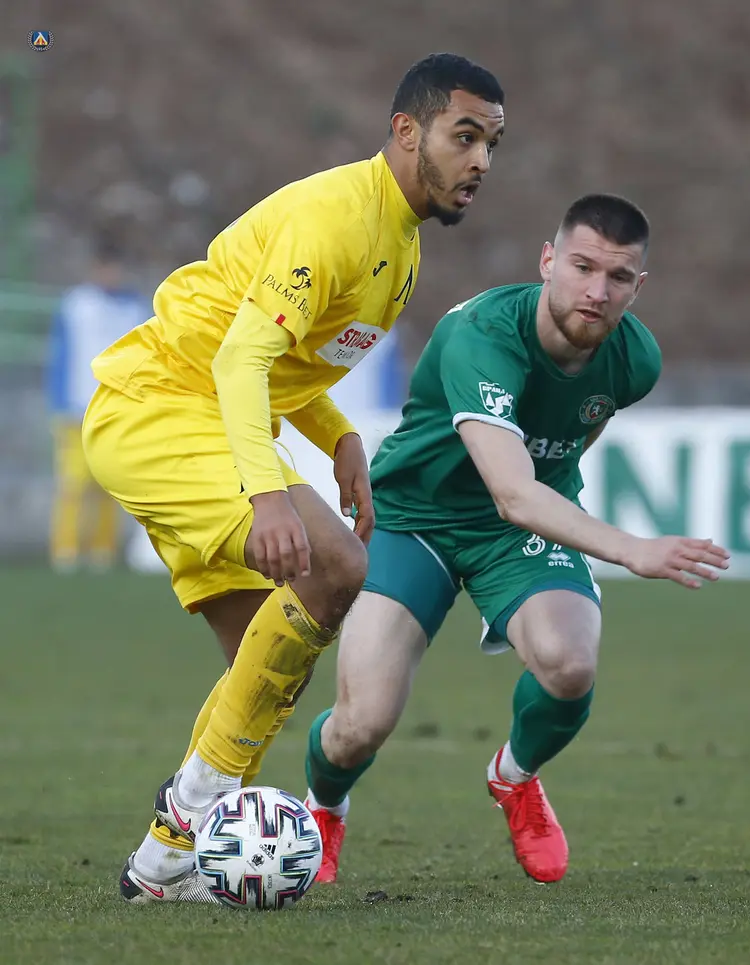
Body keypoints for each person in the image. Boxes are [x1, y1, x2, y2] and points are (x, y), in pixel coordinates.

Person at [80, 52, 505, 903]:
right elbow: (240, 359)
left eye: (493, 144)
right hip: (159, 406)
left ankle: (161, 868)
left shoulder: (402, 248)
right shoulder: (334, 220)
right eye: (465, 137)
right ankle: (188, 811)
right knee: (336, 566)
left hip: (203, 415)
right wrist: (267, 494)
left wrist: (338, 435)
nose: (482, 162)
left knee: (265, 657)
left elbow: (287, 364)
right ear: (406, 130)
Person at [302, 194, 730, 885]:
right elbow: (512, 491)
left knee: (570, 662)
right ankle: (323, 808)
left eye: (618, 277)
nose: (597, 291)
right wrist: (631, 548)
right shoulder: (483, 336)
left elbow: (572, 441)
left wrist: (553, 517)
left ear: (638, 286)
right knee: (362, 722)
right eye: (583, 267)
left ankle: (514, 775)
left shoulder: (635, 359)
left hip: (516, 529)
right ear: (548, 260)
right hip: (417, 516)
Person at [47, 239, 150, 571]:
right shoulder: (75, 304)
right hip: (76, 409)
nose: (111, 274)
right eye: (106, 268)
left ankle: (102, 551)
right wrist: (59, 402)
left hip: (116, 411)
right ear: (95, 269)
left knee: (110, 482)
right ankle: (65, 550)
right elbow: (60, 354)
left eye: (115, 268)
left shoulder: (134, 308)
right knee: (72, 483)